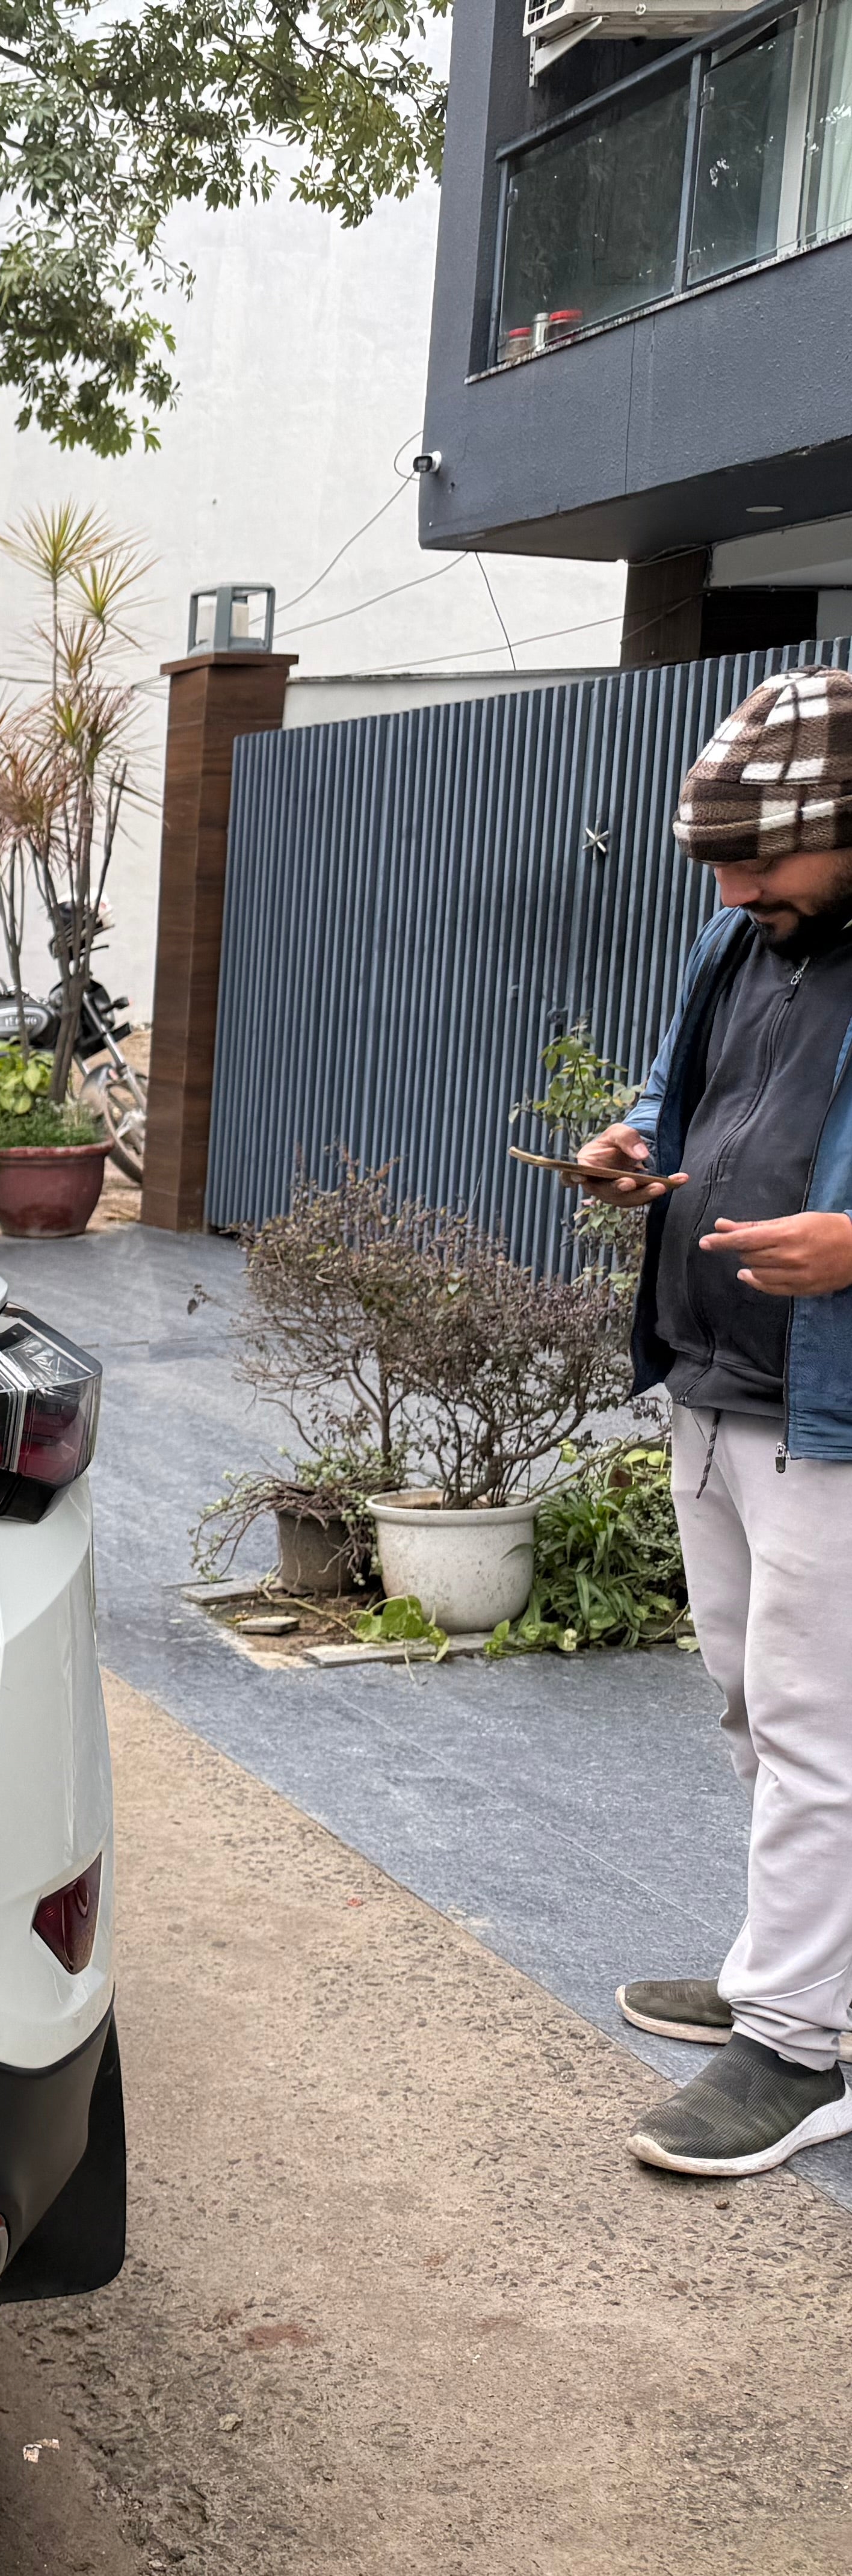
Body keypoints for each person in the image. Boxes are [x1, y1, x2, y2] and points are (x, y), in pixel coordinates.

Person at [573, 664, 852, 2178]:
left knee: (821, 1729)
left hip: (834, 1412)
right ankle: (794, 1977)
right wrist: (634, 1143)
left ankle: (799, 2045)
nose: (736, 891)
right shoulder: (742, 937)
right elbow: (687, 1095)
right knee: (758, 1708)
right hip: (715, 1379)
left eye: (763, 861)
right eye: (722, 866)